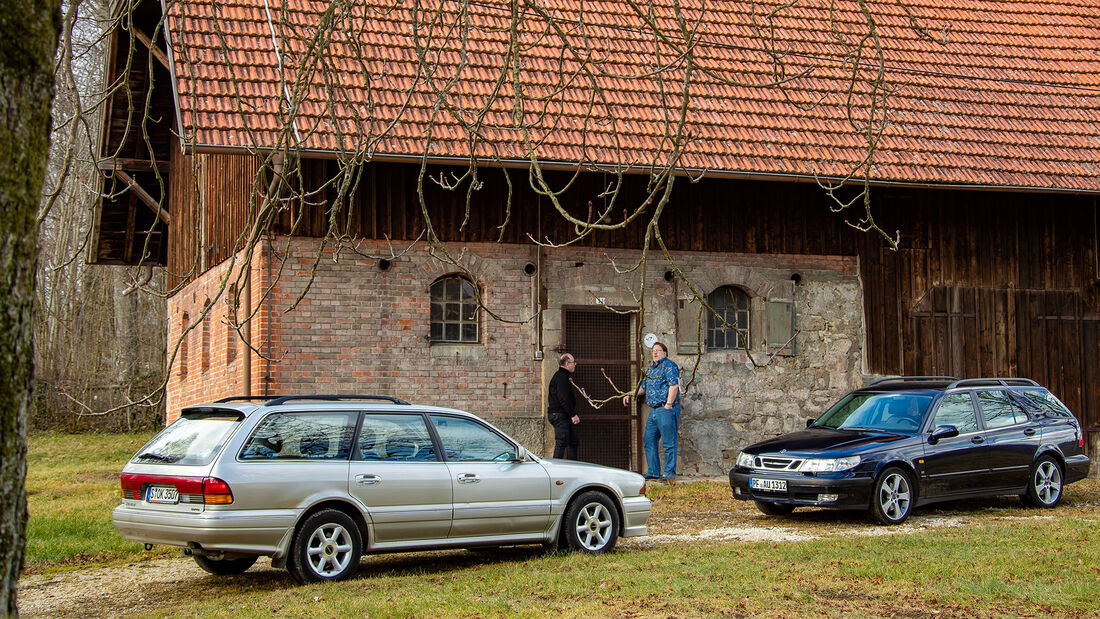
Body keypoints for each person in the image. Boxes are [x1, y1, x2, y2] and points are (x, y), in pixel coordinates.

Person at [623, 342, 680, 483]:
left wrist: (668, 404)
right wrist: (629, 394)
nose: (655, 353)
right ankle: (653, 472)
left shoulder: (669, 366)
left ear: (665, 353)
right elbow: (642, 389)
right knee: (649, 439)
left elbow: (674, 385)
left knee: (669, 442)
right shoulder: (650, 371)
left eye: (658, 350)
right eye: (653, 351)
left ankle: (669, 474)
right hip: (654, 410)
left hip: (666, 408)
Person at [547, 353, 580, 459]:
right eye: (573, 362)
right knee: (561, 442)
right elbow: (563, 398)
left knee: (572, 441)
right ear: (567, 364)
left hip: (560, 414)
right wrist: (573, 414)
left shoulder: (562, 376)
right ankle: (555, 471)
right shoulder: (561, 377)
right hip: (559, 415)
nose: (575, 364)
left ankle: (572, 467)